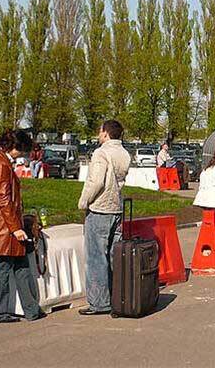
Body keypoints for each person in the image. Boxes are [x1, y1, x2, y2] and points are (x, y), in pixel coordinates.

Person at [0, 129, 44, 323]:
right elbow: (4, 199)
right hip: (5, 225)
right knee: (5, 266)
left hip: (3, 223)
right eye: (21, 150)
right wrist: (16, 228)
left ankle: (30, 310)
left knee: (19, 264)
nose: (22, 155)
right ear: (13, 147)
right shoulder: (1, 164)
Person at [77, 120, 131, 315]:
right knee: (113, 255)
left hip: (100, 208)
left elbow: (96, 181)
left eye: (100, 131)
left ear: (106, 133)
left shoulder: (101, 153)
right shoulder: (124, 154)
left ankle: (99, 302)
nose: (98, 134)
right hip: (117, 208)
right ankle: (117, 297)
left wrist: (84, 202)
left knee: (96, 257)